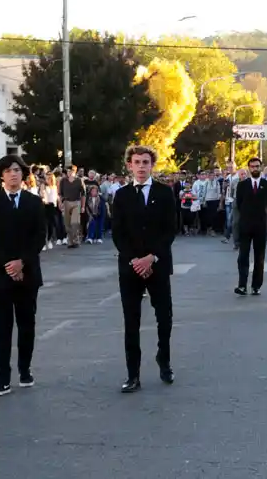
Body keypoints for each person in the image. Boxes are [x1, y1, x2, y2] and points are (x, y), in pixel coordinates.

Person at [111, 145, 179, 393]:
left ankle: (164, 359)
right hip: (130, 268)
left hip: (158, 265)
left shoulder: (164, 193)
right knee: (132, 321)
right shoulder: (121, 196)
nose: (141, 167)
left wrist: (151, 258)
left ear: (152, 165)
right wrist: (136, 261)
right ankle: (133, 374)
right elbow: (118, 233)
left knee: (164, 318)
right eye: (137, 162)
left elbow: (170, 229)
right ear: (129, 165)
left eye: (145, 162)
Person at [0, 155, 47, 398]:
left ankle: (24, 369)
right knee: (3, 328)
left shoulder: (34, 202)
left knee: (27, 324)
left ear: (23, 174)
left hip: (28, 274)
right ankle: (2, 378)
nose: (13, 174)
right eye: (8, 171)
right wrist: (8, 265)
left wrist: (22, 263)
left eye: (17, 170)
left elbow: (40, 236)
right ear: (1, 175)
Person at [234, 157, 267, 296]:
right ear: (248, 168)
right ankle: (242, 285)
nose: (255, 169)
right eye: (252, 167)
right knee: (243, 256)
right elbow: (239, 204)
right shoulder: (242, 185)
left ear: (261, 167)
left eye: (257, 166)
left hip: (261, 226)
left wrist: (262, 216)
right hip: (245, 225)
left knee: (259, 257)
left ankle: (256, 285)